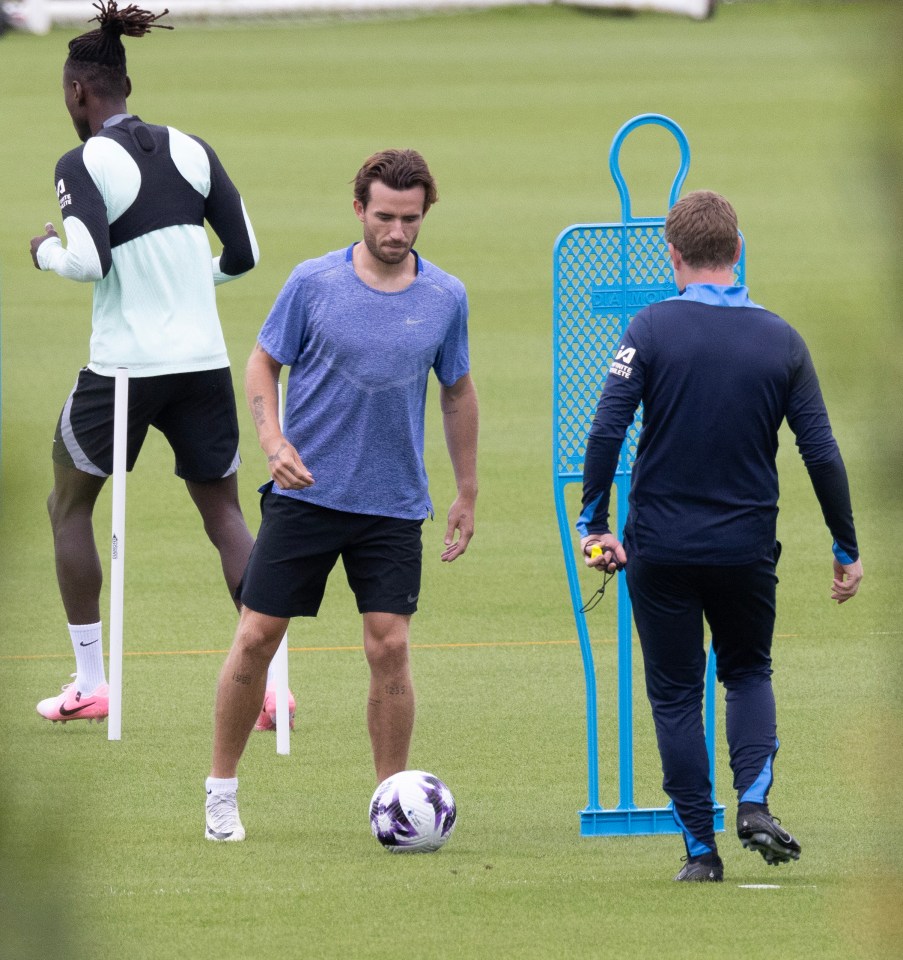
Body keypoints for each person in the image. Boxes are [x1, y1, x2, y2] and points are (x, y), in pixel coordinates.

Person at [578, 190, 862, 882]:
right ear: (738, 253)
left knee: (676, 695)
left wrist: (595, 524)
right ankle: (754, 801)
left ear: (670, 256)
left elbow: (607, 427)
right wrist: (843, 547)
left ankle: (699, 854)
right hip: (743, 548)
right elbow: (819, 451)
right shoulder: (780, 338)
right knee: (746, 672)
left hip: (661, 548)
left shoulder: (647, 329)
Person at [203, 148, 479, 841]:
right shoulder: (312, 282)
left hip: (392, 504)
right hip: (306, 495)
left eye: (409, 219)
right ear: (359, 209)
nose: (396, 231)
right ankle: (221, 793)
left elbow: (457, 390)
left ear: (424, 215)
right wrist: (273, 443)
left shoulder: (445, 296)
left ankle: (391, 802)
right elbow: (263, 361)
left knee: (389, 647)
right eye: (383, 216)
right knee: (257, 634)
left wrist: (466, 490)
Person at [29, 2, 267, 726]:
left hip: (126, 368)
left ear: (79, 93)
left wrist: (42, 252)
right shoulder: (192, 147)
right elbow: (243, 254)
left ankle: (92, 682)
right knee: (223, 512)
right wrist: (190, 285)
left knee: (67, 505)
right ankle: (268, 686)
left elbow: (90, 259)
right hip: (202, 363)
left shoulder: (83, 160)